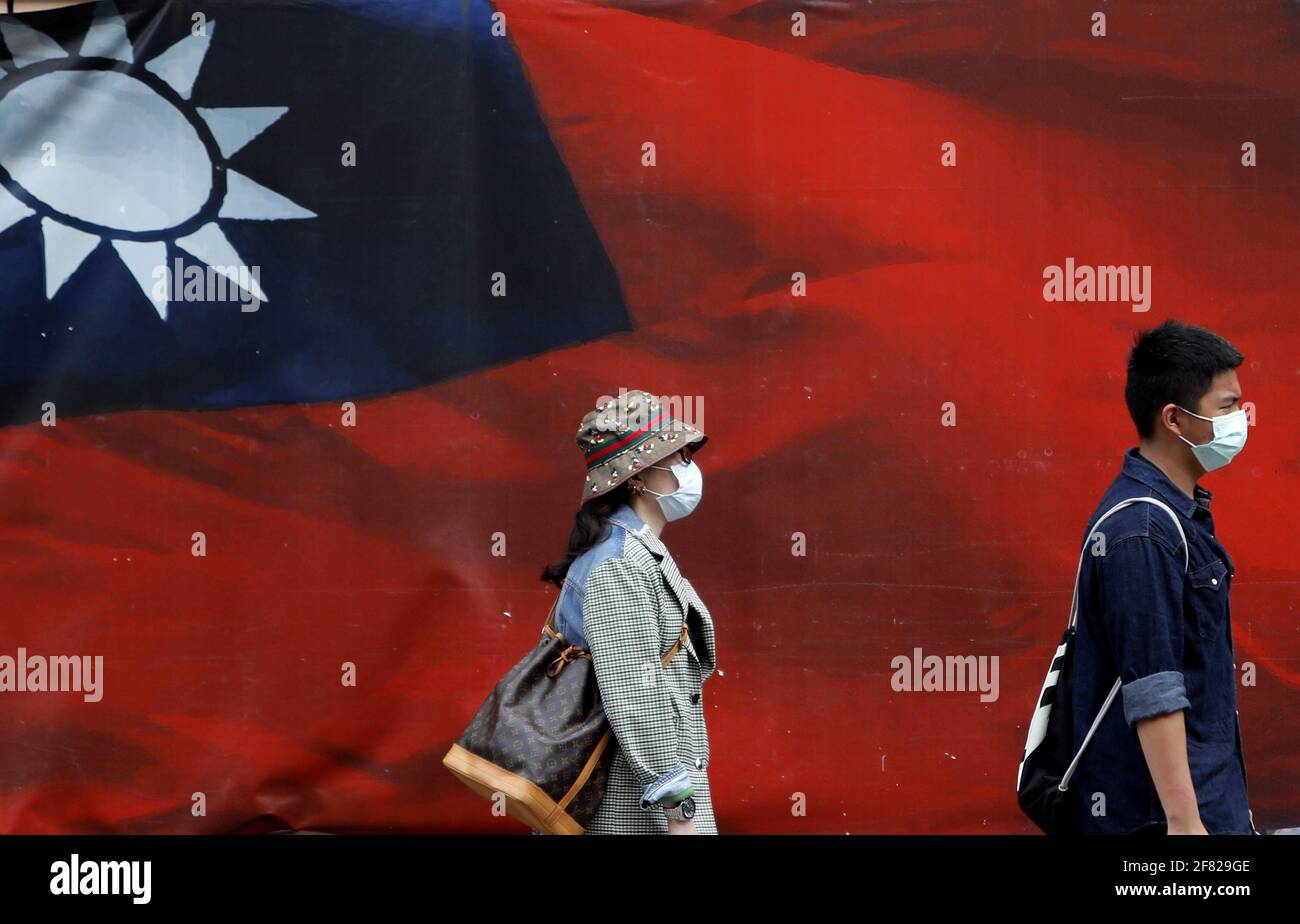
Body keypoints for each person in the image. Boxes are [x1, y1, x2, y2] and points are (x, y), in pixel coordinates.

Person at [1071, 320, 1255, 834]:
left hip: (1207, 800)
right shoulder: (1142, 530)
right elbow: (1155, 687)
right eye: (1227, 407)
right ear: (1175, 419)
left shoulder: (1176, 515)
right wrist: (1184, 822)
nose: (1240, 420)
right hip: (1162, 819)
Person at [539, 389, 718, 834]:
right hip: (630, 807)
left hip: (639, 794)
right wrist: (681, 812)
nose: (688, 467)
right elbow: (634, 692)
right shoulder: (619, 563)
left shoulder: (635, 551)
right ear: (637, 476)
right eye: (676, 456)